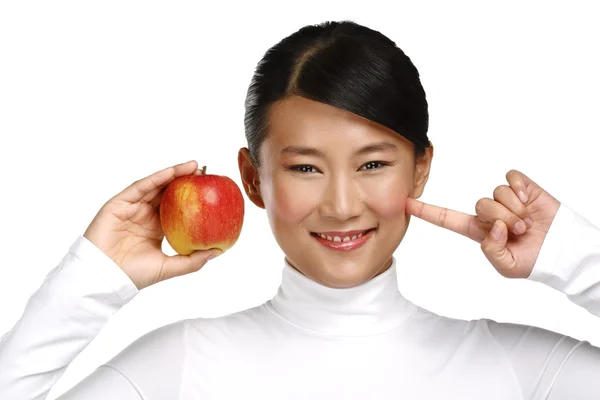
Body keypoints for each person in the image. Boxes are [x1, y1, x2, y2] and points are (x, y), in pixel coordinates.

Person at [1, 20, 600, 400]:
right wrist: (92, 279)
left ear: (421, 167)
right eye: (305, 167)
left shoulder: (524, 370)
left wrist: (578, 261)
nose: (341, 206)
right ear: (252, 178)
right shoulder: (177, 367)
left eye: (372, 164)